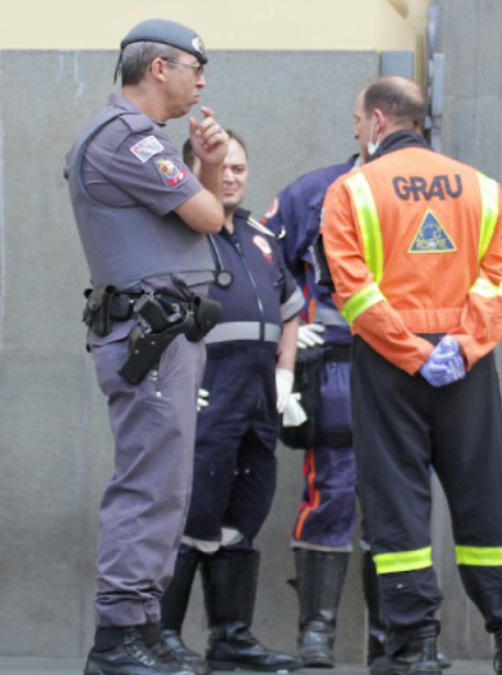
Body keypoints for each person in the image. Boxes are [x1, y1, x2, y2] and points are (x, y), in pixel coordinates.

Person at [321, 76, 502, 675]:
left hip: (390, 366)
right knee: (485, 495)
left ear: (378, 122)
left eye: (357, 121)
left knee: (397, 502)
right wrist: (463, 346)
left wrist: (413, 353)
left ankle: (415, 646)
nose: (356, 131)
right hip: (465, 367)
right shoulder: (483, 189)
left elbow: (354, 292)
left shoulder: (352, 190)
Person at [66, 19, 229, 675]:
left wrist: (204, 168)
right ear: (159, 68)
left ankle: (144, 628)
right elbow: (209, 216)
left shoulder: (144, 141)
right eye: (196, 65)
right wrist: (207, 171)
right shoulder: (126, 138)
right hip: (149, 335)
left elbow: (201, 214)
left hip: (160, 335)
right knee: (148, 485)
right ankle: (117, 639)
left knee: (167, 484)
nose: (202, 79)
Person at [155, 133, 306, 674]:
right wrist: (172, 380)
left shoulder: (261, 238)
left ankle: (231, 637)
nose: (234, 176)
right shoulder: (178, 235)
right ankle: (163, 639)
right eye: (222, 166)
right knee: (192, 512)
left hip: (259, 396)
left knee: (245, 509)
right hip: (206, 393)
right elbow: (155, 314)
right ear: (195, 170)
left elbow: (291, 307)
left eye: (241, 166)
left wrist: (285, 376)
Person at [260, 120, 379, 666]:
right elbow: (262, 263)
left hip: (406, 367)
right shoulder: (313, 193)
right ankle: (316, 633)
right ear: (369, 124)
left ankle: (396, 635)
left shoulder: (431, 190)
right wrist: (287, 330)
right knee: (330, 490)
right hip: (330, 363)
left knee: (397, 500)